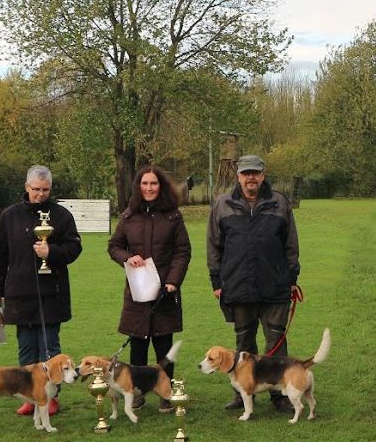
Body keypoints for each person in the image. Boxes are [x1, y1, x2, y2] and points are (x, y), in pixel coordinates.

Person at [206, 154, 300, 413]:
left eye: (255, 173)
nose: (251, 178)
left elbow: (291, 245)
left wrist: (292, 279)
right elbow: (214, 246)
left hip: (275, 286)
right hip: (238, 286)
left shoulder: (279, 203)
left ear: (263, 175)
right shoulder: (222, 204)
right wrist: (216, 281)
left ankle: (280, 395)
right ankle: (241, 393)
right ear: (238, 176)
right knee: (244, 345)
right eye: (246, 173)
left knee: (276, 344)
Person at [0, 165, 82, 416]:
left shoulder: (61, 216)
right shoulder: (10, 216)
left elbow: (74, 249)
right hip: (18, 292)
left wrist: (52, 253)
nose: (41, 194)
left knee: (49, 346)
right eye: (36, 189)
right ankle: (30, 395)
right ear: (26, 187)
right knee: (26, 347)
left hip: (52, 293)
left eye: (46, 190)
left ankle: (50, 397)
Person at [108, 165, 192, 413]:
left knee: (163, 344)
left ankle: (166, 394)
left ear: (161, 186)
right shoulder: (128, 216)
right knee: (138, 344)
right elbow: (114, 246)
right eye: (144, 184)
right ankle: (136, 393)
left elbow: (182, 251)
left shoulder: (173, 216)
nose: (149, 188)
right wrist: (127, 257)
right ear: (138, 187)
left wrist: (173, 281)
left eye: (153, 184)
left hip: (164, 290)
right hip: (136, 291)